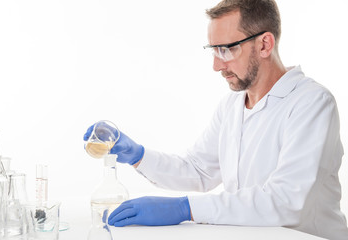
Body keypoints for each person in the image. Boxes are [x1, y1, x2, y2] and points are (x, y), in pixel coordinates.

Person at [84, 0, 348, 239]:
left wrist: (185, 208)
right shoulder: (232, 105)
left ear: (265, 44)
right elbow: (199, 170)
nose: (216, 65)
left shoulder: (311, 103)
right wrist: (138, 155)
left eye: (226, 49)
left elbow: (284, 201)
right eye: (213, 49)